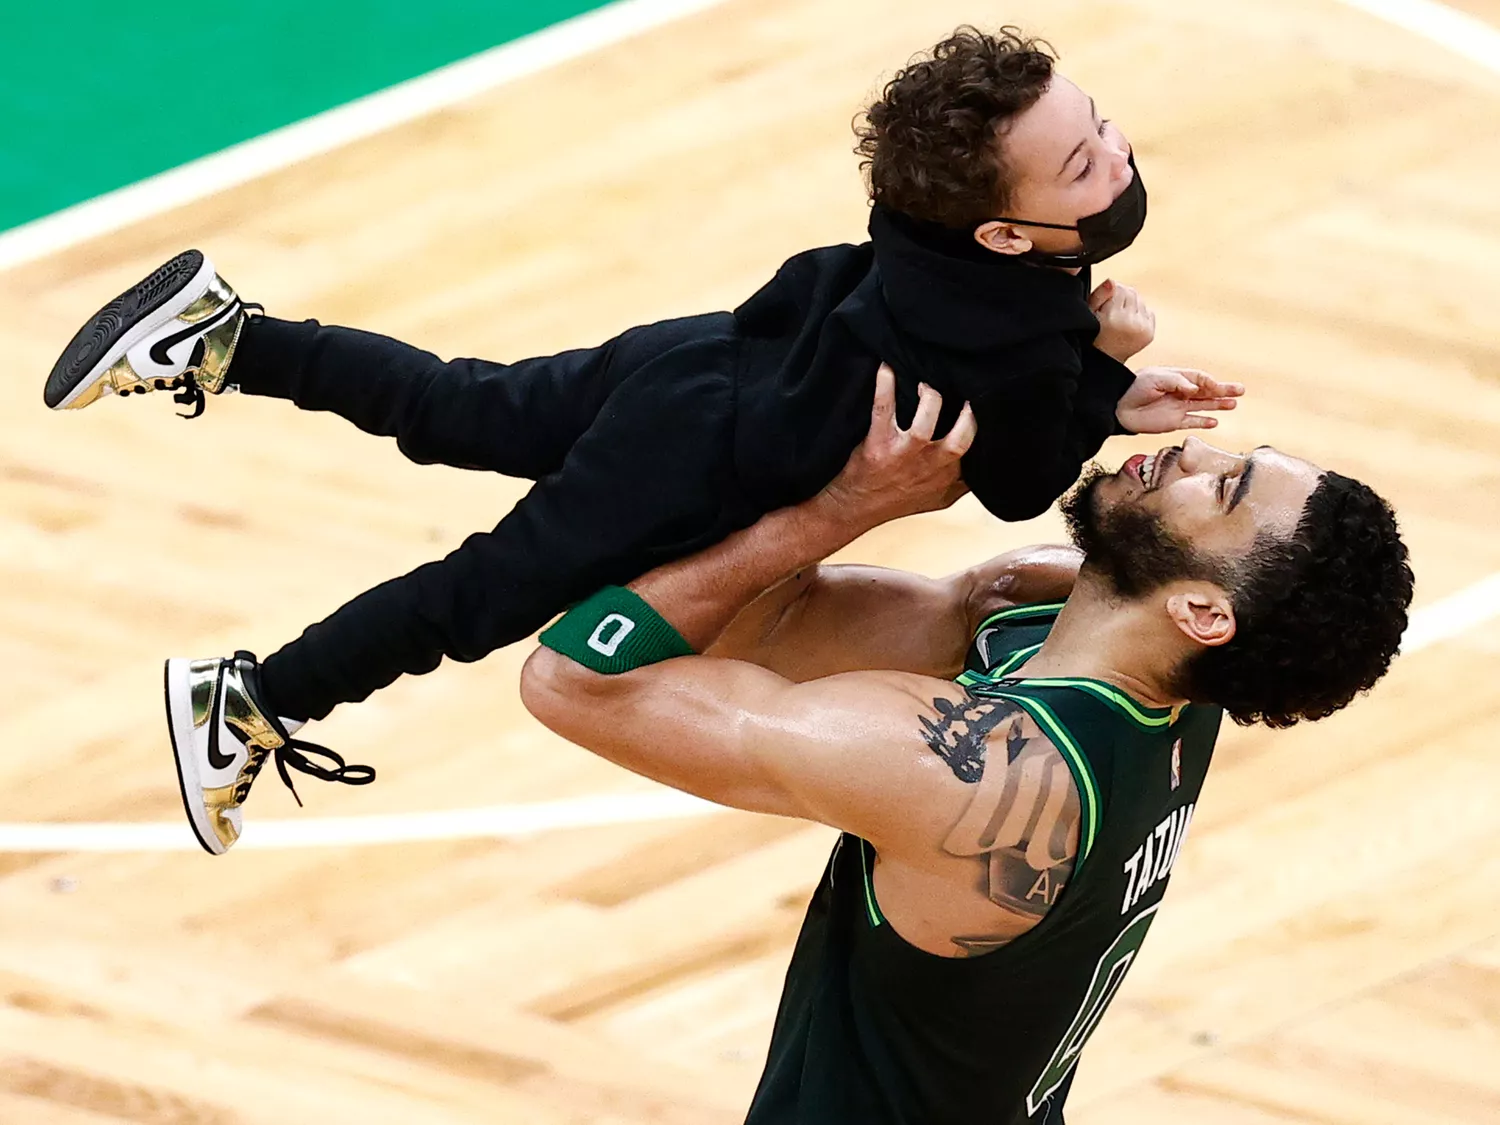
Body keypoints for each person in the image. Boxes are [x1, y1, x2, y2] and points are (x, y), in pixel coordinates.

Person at [42, 28, 1242, 855]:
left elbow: (987, 382)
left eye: (1104, 130)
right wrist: (1101, 362)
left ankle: (224, 334)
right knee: (480, 594)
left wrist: (1097, 391)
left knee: (462, 405)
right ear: (998, 233)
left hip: (706, 359)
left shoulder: (923, 214)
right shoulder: (1031, 329)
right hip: (698, 464)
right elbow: (1017, 479)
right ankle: (250, 699)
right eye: (1082, 160)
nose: (1117, 160)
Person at [517, 369, 1413, 1125]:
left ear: (1203, 612)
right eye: (1232, 458)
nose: (1196, 451)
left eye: (1222, 490)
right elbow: (772, 619)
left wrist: (844, 506)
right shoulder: (1128, 650)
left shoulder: (974, 782)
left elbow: (577, 680)